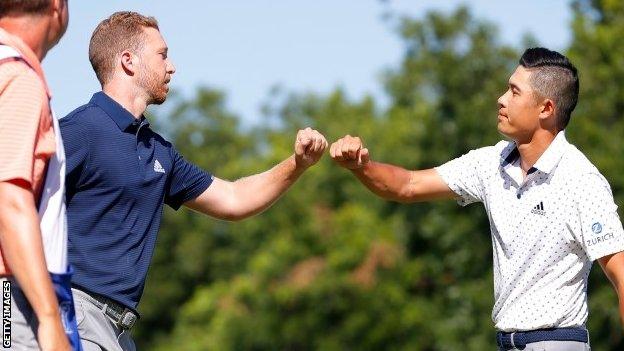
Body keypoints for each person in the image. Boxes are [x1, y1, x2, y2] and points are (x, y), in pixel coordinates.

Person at [59, 11, 327, 351]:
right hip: (74, 315)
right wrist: (6, 311)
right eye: (162, 54)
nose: (171, 67)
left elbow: (233, 199)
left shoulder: (158, 151)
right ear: (128, 61)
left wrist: (298, 164)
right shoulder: (79, 131)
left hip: (120, 331)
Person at [330, 47, 624, 350]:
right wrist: (361, 167)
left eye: (514, 92)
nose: (501, 99)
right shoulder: (490, 163)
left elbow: (621, 274)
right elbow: (408, 185)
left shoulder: (581, 181)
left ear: (546, 109)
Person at [0, 0, 82, 350]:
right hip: (12, 297)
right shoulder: (18, 78)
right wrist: (49, 319)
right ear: (56, 6)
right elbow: (9, 199)